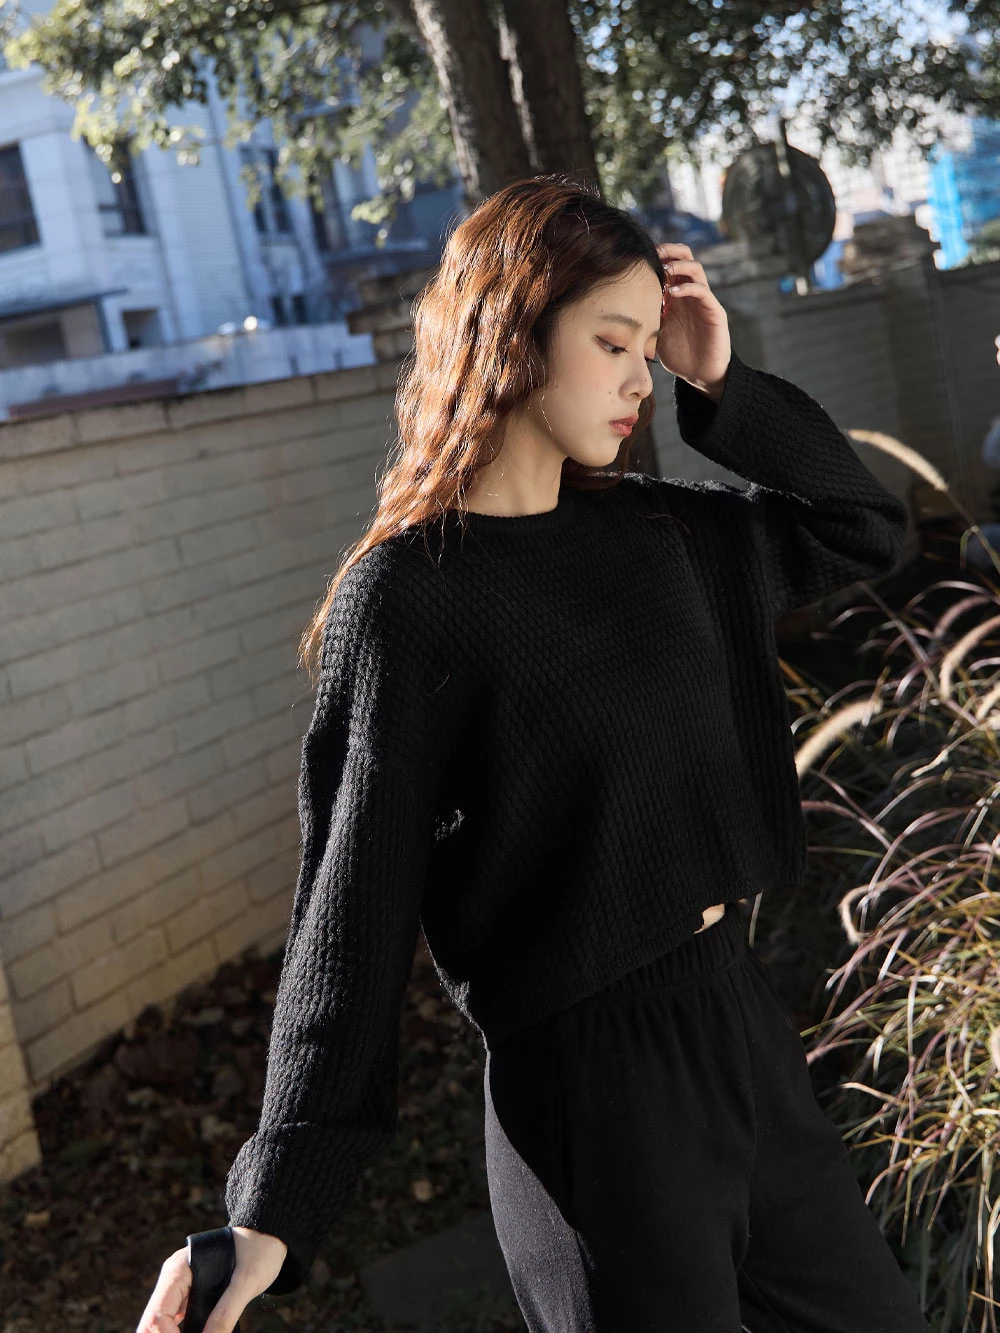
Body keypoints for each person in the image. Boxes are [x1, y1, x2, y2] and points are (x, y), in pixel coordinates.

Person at [136, 175, 930, 1333]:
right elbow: (350, 912)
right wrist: (271, 1211)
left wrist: (722, 380)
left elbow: (862, 526)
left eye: (647, 348)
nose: (638, 379)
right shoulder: (408, 598)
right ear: (512, 331)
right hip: (591, 1099)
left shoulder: (664, 533)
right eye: (613, 343)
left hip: (741, 1033)